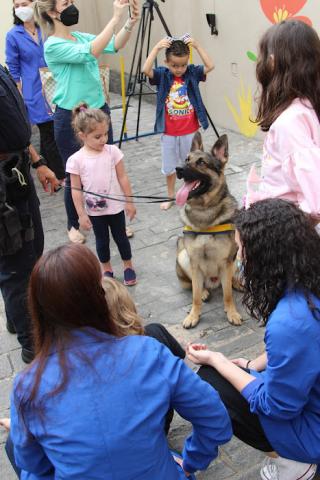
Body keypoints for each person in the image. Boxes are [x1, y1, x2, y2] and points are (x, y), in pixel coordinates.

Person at [7, 243, 232, 479]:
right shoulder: (148, 352)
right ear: (98, 295)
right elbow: (215, 420)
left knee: (17, 450)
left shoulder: (27, 386)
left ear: (38, 309)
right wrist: (191, 461)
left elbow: (32, 462)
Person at [187, 199, 320, 480]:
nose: (238, 260)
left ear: (266, 254)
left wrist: (219, 361)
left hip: (313, 430)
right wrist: (251, 364)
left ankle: (295, 463)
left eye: (242, 250)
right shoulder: (309, 286)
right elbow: (302, 350)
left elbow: (278, 406)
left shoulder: (290, 320)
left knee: (212, 380)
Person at [33, 0, 139, 244]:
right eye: (65, 3)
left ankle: (116, 222)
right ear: (52, 12)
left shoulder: (79, 36)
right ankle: (74, 223)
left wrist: (130, 22)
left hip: (98, 113)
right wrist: (114, 18)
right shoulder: (53, 45)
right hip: (70, 117)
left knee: (109, 168)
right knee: (75, 176)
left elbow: (112, 45)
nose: (71, 6)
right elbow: (92, 50)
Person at [0, 63, 59, 364]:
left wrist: (38, 163)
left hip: (19, 176)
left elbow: (17, 129)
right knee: (14, 266)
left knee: (33, 253)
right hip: (3, 191)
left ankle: (21, 316)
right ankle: (31, 343)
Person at [246, 20, 320, 229]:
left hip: (281, 235)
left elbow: (316, 197)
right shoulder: (305, 108)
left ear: (272, 62)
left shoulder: (290, 122)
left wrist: (293, 231)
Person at [66, 104, 137, 285]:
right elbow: (75, 189)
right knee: (102, 240)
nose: (103, 139)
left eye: (105, 134)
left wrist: (129, 202)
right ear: (82, 136)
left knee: (121, 237)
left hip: (115, 208)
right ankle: (106, 269)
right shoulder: (76, 160)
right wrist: (81, 215)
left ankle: (128, 265)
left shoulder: (113, 152)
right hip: (95, 211)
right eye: (97, 136)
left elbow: (123, 177)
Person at [143, 35, 214, 210]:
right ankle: (170, 195)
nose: (179, 69)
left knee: (192, 166)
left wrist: (196, 45)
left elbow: (210, 66)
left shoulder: (192, 73)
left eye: (183, 64)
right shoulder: (162, 75)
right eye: (174, 65)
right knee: (169, 167)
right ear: (167, 62)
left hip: (190, 131)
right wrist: (156, 48)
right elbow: (146, 70)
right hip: (169, 131)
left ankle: (192, 195)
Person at [6, 0, 65, 180]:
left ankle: (53, 166)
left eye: (25, 3)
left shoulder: (47, 28)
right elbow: (13, 68)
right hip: (34, 91)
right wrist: (19, 95)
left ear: (35, 4)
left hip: (57, 86)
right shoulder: (13, 35)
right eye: (17, 6)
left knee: (60, 128)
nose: (21, 8)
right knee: (47, 132)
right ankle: (59, 175)